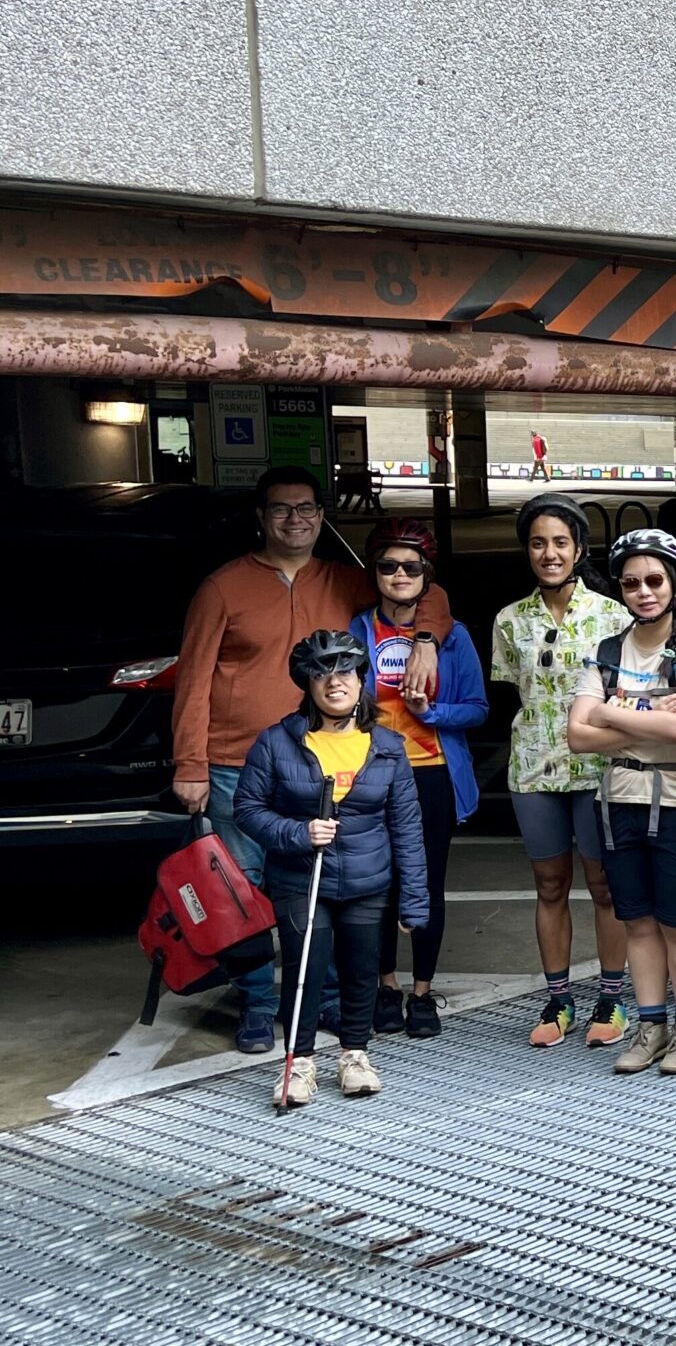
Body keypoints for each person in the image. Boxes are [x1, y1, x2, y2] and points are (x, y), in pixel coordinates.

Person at [173, 465, 450, 1053]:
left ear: (322, 516)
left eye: (305, 508)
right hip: (232, 760)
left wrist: (424, 638)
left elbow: (426, 593)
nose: (294, 519)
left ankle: (320, 1000)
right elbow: (193, 680)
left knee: (321, 884)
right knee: (241, 890)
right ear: (260, 517)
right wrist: (189, 764)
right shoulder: (222, 587)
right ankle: (256, 1003)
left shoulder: (347, 580)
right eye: (280, 509)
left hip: (322, 760)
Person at [234, 631, 429, 1106]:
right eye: (321, 674)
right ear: (307, 684)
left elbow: (406, 827)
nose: (334, 682)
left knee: (362, 972)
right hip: (302, 879)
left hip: (368, 881)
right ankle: (298, 1065)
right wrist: (298, 834)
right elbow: (247, 808)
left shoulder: (387, 745)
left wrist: (414, 900)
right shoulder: (277, 742)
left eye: (345, 671)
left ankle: (354, 1057)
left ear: (362, 679)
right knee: (306, 969)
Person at [569, 530, 676, 1077]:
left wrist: (611, 710)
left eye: (654, 580)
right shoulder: (608, 650)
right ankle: (650, 1024)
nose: (643, 591)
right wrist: (647, 713)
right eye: (631, 583)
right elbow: (577, 735)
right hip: (619, 800)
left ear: (674, 584)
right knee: (635, 920)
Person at [489, 494, 633, 1049]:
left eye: (560, 542)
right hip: (532, 768)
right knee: (549, 884)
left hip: (598, 767)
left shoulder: (613, 615)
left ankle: (612, 998)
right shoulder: (509, 620)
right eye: (538, 543)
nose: (549, 553)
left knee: (604, 886)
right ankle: (559, 999)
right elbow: (510, 698)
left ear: (579, 548)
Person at [352, 520, 487, 1041]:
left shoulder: (452, 638)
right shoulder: (357, 630)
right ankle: (386, 985)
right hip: (373, 774)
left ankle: (423, 991)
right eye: (389, 566)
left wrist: (431, 713)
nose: (400, 575)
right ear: (375, 573)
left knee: (426, 883)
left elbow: (477, 710)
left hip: (431, 772)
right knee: (377, 885)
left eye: (412, 566)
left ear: (427, 573)